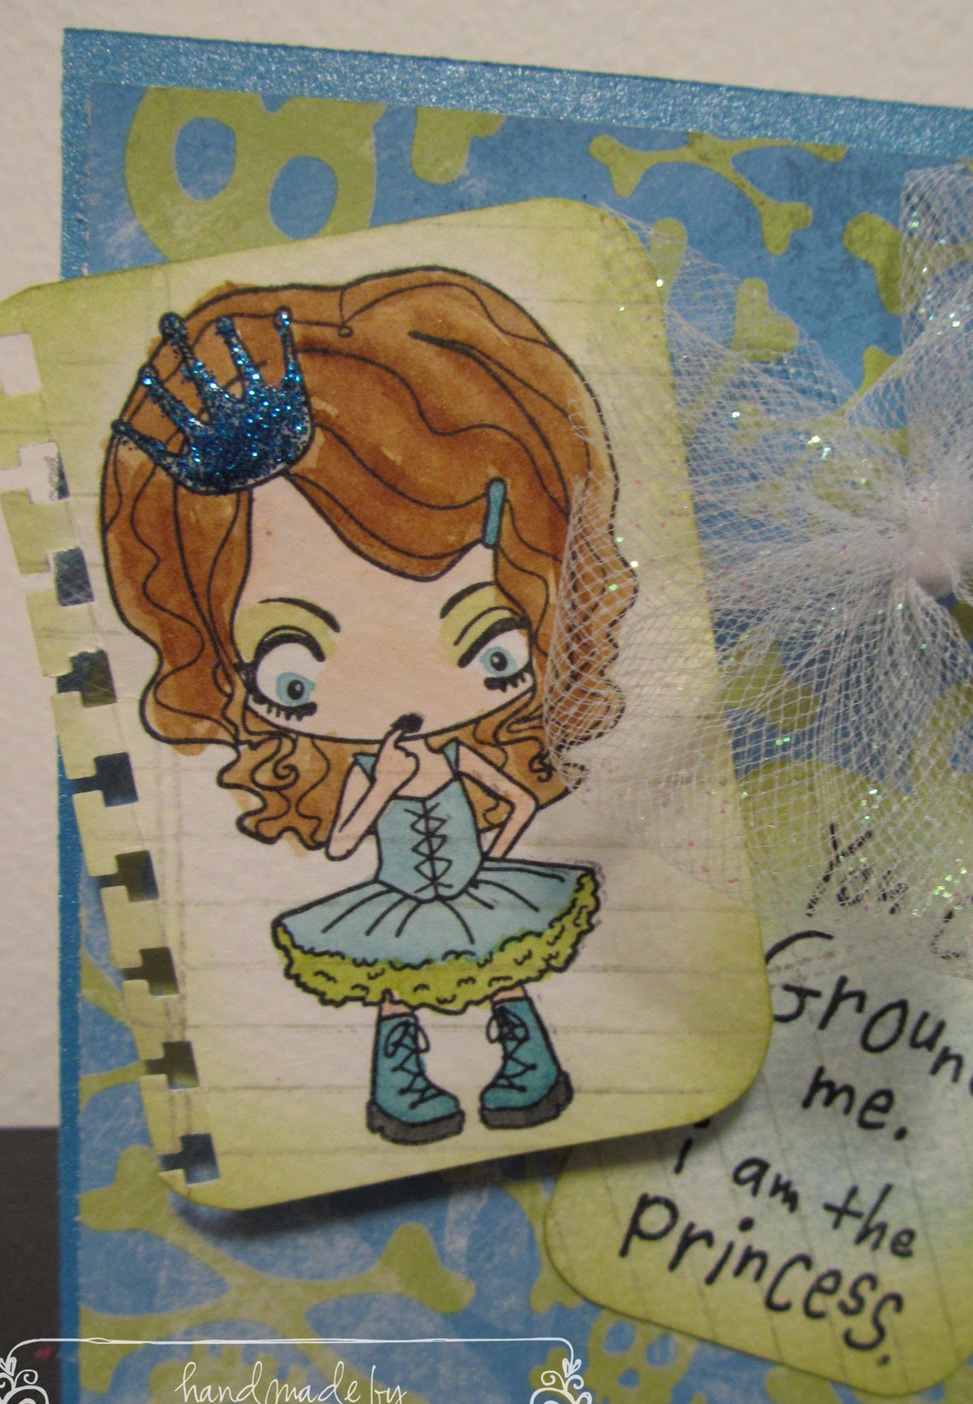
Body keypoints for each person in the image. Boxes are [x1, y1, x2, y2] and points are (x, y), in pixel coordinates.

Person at [101, 267, 636, 1145]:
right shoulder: (379, 764)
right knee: (397, 988)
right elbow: (345, 843)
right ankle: (401, 1083)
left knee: (499, 973)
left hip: (471, 891)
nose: (401, 686)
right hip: (397, 899)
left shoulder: (461, 756)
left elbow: (515, 801)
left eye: (491, 645)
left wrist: (491, 859)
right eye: (293, 673)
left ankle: (527, 1063)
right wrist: (382, 785)